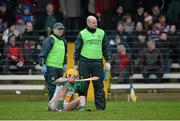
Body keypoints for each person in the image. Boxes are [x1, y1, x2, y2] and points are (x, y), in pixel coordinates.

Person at [74, 15, 111, 110]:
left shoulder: (102, 33)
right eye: (94, 22)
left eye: (96, 22)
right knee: (83, 86)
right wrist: (75, 64)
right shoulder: (82, 34)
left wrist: (108, 61)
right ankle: (81, 106)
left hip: (98, 62)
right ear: (88, 23)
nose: (96, 24)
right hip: (84, 62)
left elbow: (105, 48)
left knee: (99, 86)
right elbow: (77, 49)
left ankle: (100, 108)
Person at [39, 22, 67, 101]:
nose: (60, 31)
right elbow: (43, 53)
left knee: (60, 87)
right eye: (59, 29)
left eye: (62, 29)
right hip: (51, 68)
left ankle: (57, 105)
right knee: (52, 88)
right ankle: (51, 105)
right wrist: (42, 64)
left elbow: (65, 55)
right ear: (54, 29)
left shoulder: (64, 41)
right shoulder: (50, 40)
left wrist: (64, 64)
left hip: (60, 68)